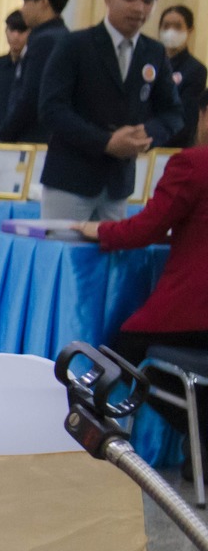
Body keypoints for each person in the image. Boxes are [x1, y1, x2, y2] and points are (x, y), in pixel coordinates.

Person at [37, 0, 183, 221]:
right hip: (70, 181)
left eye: (148, 0)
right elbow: (52, 109)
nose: (139, 8)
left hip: (118, 185)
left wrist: (144, 135)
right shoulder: (74, 45)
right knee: (62, 259)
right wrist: (105, 142)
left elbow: (173, 114)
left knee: (109, 261)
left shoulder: (155, 52)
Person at [74, 109, 208, 365]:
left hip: (190, 315)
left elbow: (147, 228)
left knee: (114, 360)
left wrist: (100, 230)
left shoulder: (193, 164)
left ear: (202, 116)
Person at [0, 0, 72, 143]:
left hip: (32, 138)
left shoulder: (45, 40)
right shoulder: (63, 35)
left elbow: (31, 95)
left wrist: (4, 135)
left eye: (26, 2)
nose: (22, 9)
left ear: (43, 2)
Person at [160, 5, 205, 149]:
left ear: (189, 30)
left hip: (173, 145)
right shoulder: (151, 63)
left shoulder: (195, 69)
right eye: (166, 26)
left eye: (178, 26)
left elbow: (186, 118)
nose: (171, 31)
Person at [0, 10, 28, 139]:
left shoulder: (32, 67)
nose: (16, 36)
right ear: (6, 31)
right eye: (12, 30)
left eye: (21, 31)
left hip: (23, 137)